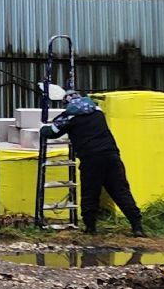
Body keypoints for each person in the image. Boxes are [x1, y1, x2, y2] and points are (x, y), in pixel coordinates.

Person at [41, 90, 145, 237]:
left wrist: (42, 127)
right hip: (111, 156)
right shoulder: (98, 111)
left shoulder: (69, 117)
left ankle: (90, 228)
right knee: (121, 192)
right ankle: (137, 226)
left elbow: (51, 132)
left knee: (90, 193)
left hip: (91, 159)